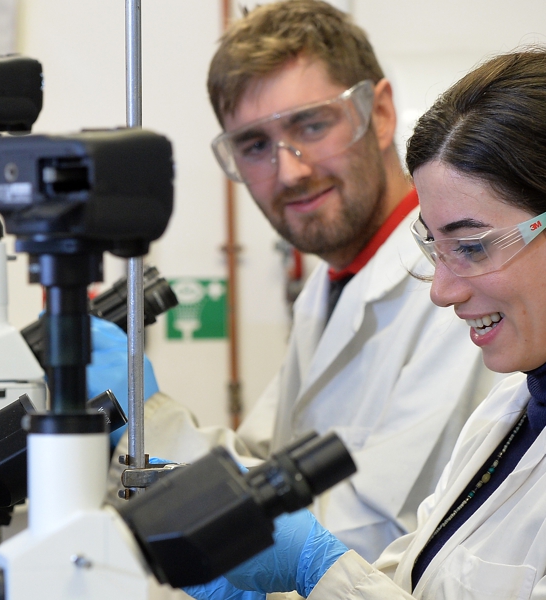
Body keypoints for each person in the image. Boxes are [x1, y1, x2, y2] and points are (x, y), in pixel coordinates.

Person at [186, 49, 546, 600]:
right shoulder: (507, 410)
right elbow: (406, 586)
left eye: (473, 247)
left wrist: (316, 568)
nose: (442, 290)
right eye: (435, 246)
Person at [196, 0, 492, 559]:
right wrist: (135, 420)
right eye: (255, 146)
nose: (290, 170)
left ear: (379, 114)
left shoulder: (459, 281)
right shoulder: (331, 282)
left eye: (311, 124)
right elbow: (261, 457)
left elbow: (383, 529)